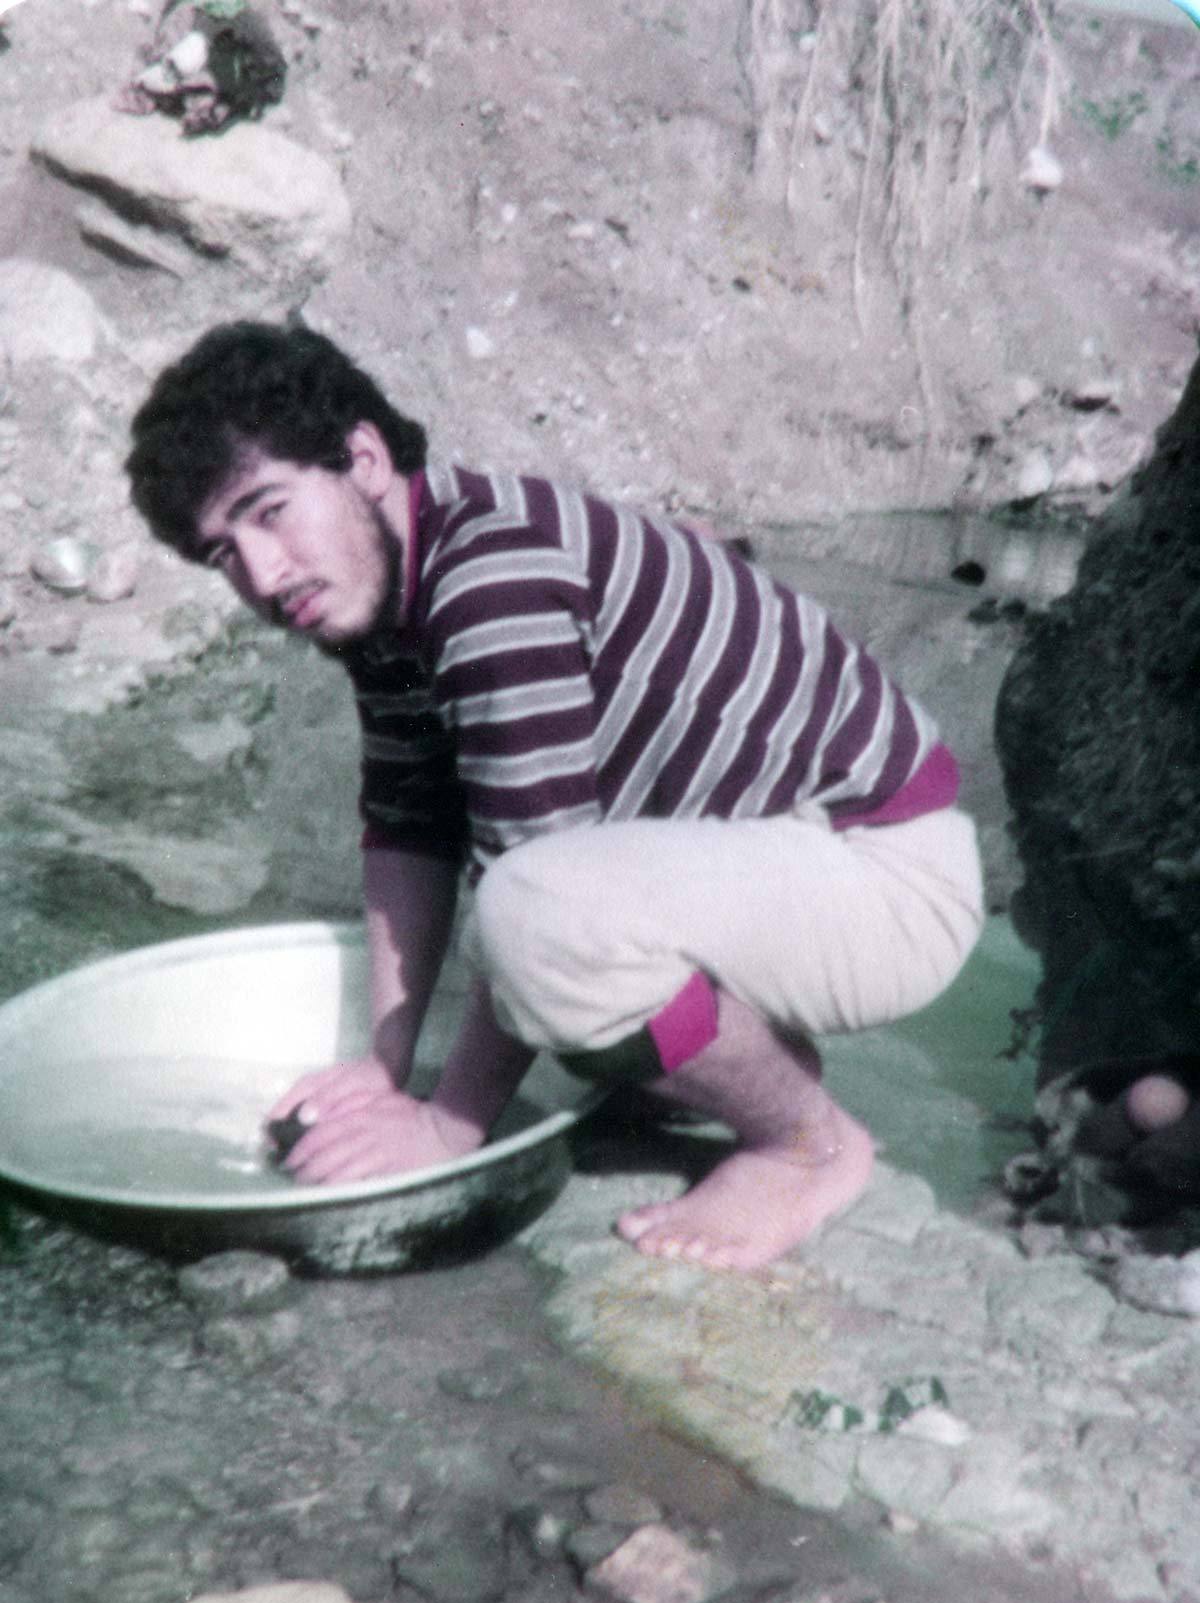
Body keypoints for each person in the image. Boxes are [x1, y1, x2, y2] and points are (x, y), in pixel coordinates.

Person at [126, 320, 985, 1273]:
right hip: (781, 860)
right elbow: (410, 823)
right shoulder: (392, 579)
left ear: (361, 458)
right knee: (550, 960)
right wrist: (385, 1065)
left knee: (535, 927)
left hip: (888, 874)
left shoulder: (489, 578)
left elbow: (528, 896)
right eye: (223, 555)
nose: (262, 573)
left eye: (270, 512)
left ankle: (809, 1147)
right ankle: (753, 1062)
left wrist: (447, 1130)